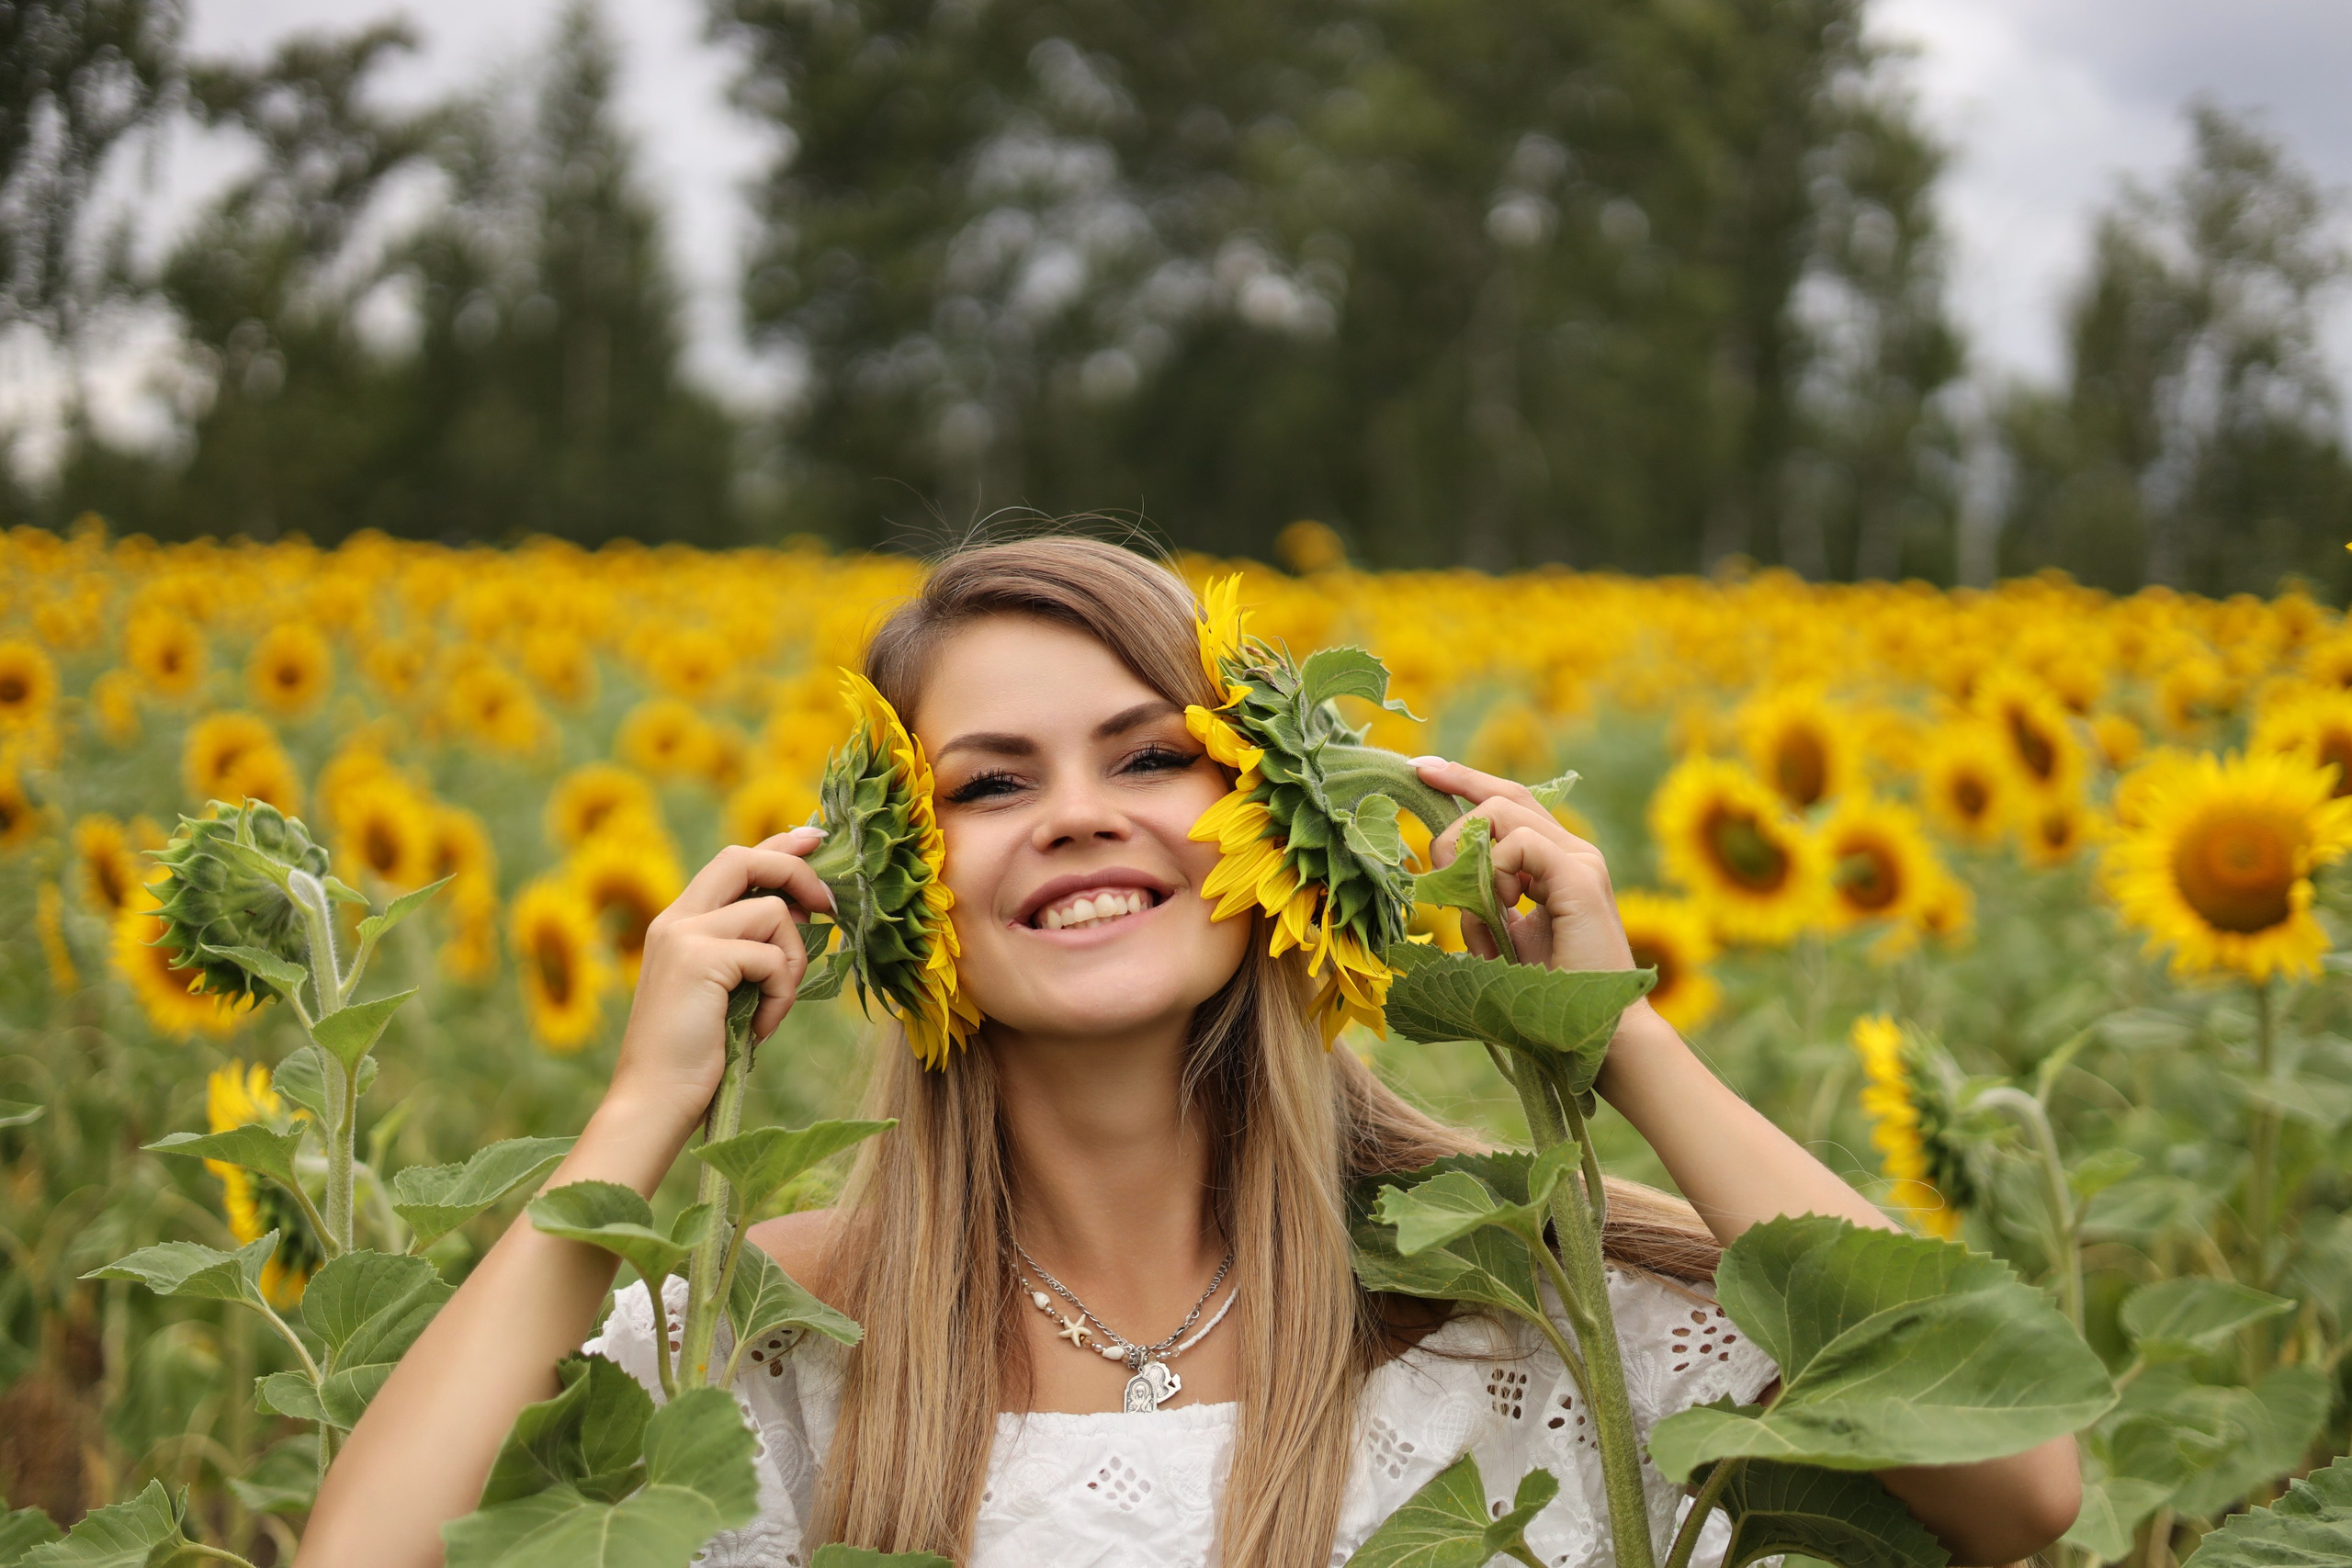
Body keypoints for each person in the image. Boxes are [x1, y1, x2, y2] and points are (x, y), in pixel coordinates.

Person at [308, 538, 2081, 1567]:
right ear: (891, 884)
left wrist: (1610, 1040)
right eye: (987, 784)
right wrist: (643, 1111)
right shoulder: (781, 1341)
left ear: (1280, 827)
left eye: (1152, 758)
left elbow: (2019, 1491)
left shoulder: (1524, 1299)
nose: (1076, 818)